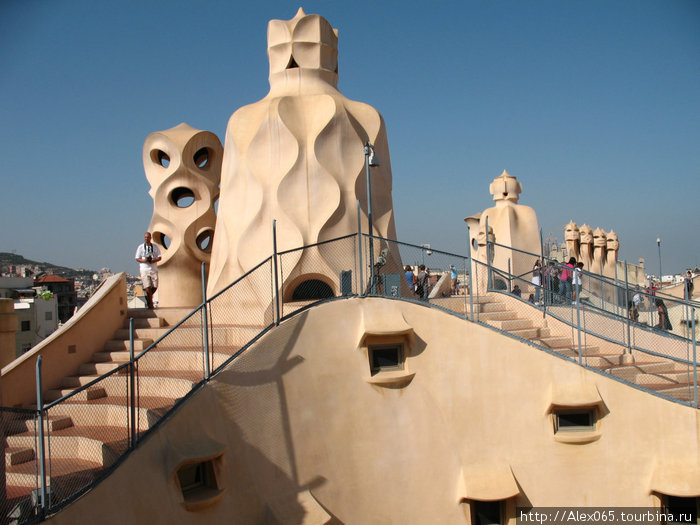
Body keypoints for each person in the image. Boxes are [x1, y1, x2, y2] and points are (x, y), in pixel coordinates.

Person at [135, 232, 162, 309]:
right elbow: (137, 258)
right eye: (145, 237)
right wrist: (145, 260)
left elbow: (159, 257)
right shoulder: (140, 247)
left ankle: (148, 298)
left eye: (148, 237)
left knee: (155, 286)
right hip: (144, 269)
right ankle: (151, 304)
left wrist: (153, 260)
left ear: (150, 238)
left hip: (153, 269)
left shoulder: (155, 247)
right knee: (147, 286)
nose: (146, 239)